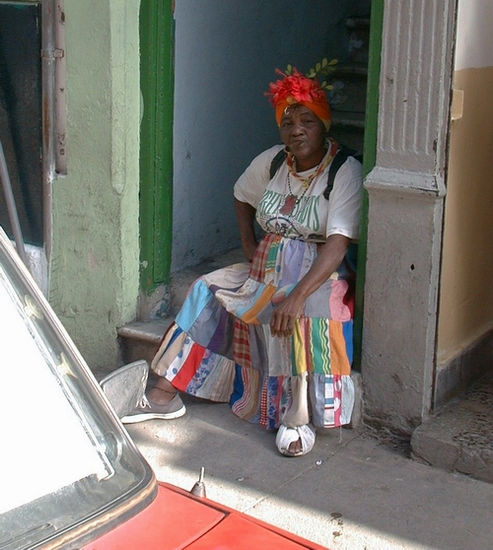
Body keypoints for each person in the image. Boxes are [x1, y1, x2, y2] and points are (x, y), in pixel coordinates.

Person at [122, 69, 363, 457]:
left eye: (307, 121)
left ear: (323, 124)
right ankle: (165, 391)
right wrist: (249, 244)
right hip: (263, 269)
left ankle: (296, 415)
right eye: (287, 122)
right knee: (206, 291)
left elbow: (337, 243)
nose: (296, 130)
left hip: (319, 272)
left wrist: (299, 294)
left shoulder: (343, 170)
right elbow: (240, 195)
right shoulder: (272, 162)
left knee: (303, 315)